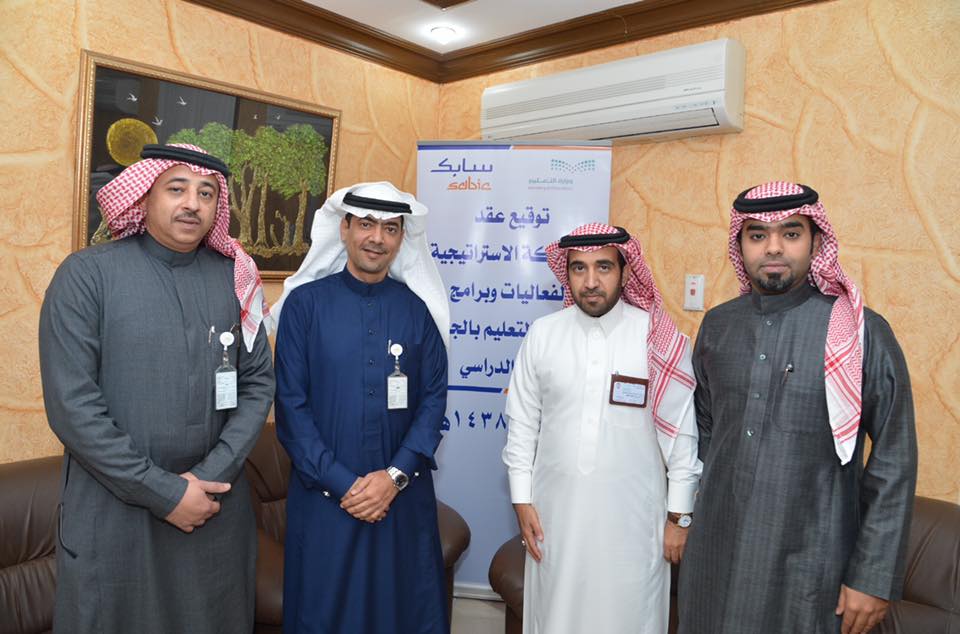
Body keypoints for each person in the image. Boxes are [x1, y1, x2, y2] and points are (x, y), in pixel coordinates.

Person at [39, 143, 275, 633]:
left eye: (206, 193)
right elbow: (72, 407)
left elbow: (257, 384)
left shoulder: (235, 278)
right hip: (117, 507)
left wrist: (207, 478)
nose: (192, 203)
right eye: (177, 188)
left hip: (213, 505)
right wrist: (164, 492)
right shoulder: (86, 275)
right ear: (144, 196)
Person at [678, 181, 917, 634]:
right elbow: (702, 432)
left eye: (790, 233)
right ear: (740, 246)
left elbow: (894, 457)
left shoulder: (860, 332)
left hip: (812, 560)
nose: (773, 247)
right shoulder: (718, 325)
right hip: (715, 553)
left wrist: (872, 576)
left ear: (816, 242)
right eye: (757, 235)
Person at [502, 222, 702, 634]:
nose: (591, 281)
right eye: (579, 268)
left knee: (627, 616)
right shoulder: (543, 334)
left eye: (604, 267)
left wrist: (679, 517)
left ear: (625, 272)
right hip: (555, 517)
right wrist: (521, 500)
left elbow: (682, 436)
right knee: (555, 615)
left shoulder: (658, 339)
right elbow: (521, 425)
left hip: (634, 523)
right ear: (567, 272)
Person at [272, 182, 451, 634]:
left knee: (402, 613)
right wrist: (344, 484)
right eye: (367, 224)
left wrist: (393, 478)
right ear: (345, 228)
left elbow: (433, 402)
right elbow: (291, 409)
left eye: (390, 229)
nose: (377, 238)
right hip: (324, 499)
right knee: (323, 614)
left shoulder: (418, 311)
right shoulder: (304, 306)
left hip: (400, 499)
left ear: (402, 238)